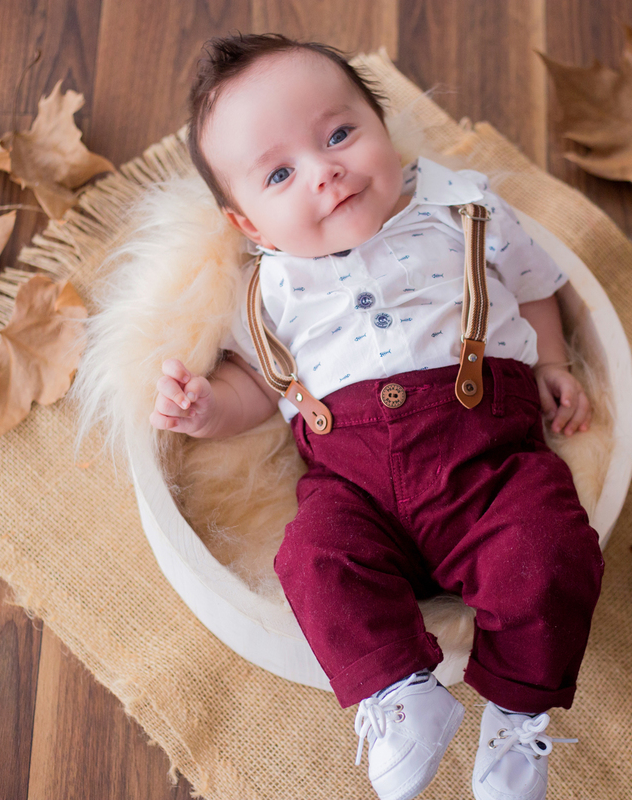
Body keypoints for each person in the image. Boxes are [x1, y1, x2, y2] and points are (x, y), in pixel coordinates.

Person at [151, 33, 605, 800]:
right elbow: (259, 393)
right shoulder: (268, 293)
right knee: (312, 559)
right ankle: (399, 694)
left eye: (339, 134)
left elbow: (533, 285)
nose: (325, 171)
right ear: (250, 226)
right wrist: (204, 412)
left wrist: (554, 362)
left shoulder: (465, 209)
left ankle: (517, 712)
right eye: (281, 173)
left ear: (382, 128)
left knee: (551, 548)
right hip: (354, 491)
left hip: (489, 467)